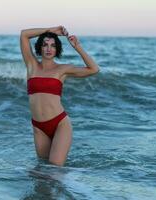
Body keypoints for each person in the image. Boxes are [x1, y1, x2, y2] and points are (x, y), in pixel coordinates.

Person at [20, 25, 100, 166]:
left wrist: (77, 47)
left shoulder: (62, 69)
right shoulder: (31, 65)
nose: (49, 48)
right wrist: (51, 30)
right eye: (45, 45)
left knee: (55, 169)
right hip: (39, 127)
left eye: (53, 45)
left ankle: (70, 186)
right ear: (40, 47)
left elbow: (94, 69)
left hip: (60, 124)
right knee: (43, 172)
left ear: (57, 49)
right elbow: (24, 34)